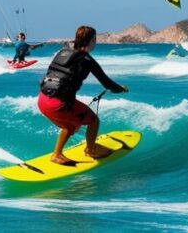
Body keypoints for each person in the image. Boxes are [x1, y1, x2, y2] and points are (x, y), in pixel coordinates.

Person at [38, 26, 128, 165]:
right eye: (95, 39)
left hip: (43, 100)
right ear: (91, 41)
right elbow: (107, 83)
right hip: (59, 104)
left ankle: (57, 153)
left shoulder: (64, 51)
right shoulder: (87, 60)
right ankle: (90, 150)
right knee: (93, 121)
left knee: (70, 125)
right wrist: (121, 89)